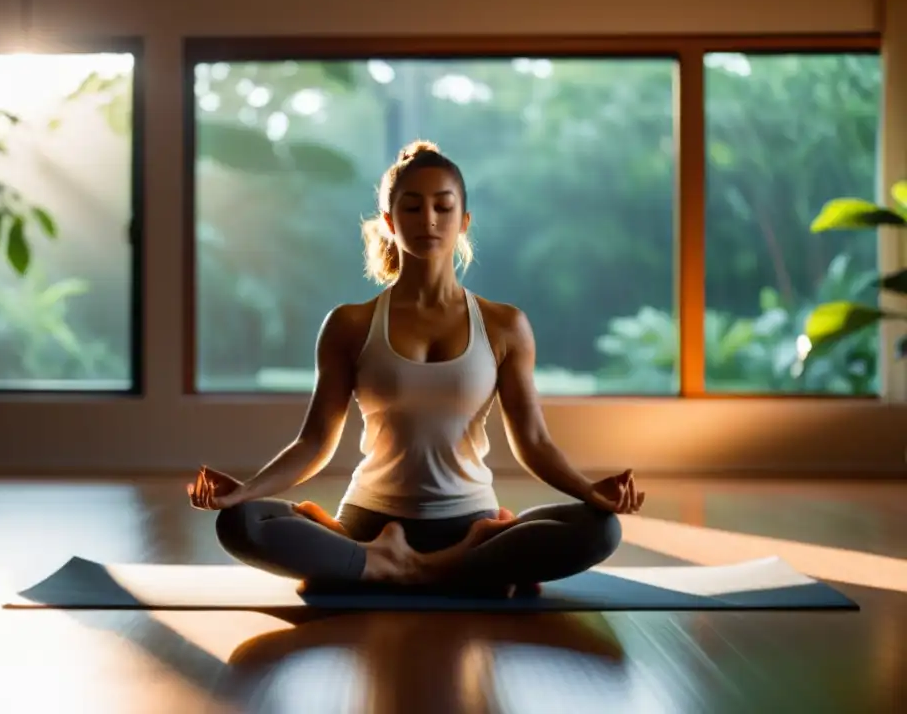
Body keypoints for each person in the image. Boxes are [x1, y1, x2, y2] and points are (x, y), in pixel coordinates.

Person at [188, 140, 645, 597]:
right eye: (411, 208)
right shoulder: (350, 323)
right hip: (370, 520)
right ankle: (443, 567)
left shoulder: (505, 325)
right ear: (389, 222)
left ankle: (393, 567)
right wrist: (243, 493)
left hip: (471, 521)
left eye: (444, 208)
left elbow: (534, 442)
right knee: (241, 524)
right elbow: (314, 443)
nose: (429, 220)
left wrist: (589, 492)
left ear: (464, 222)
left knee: (600, 530)